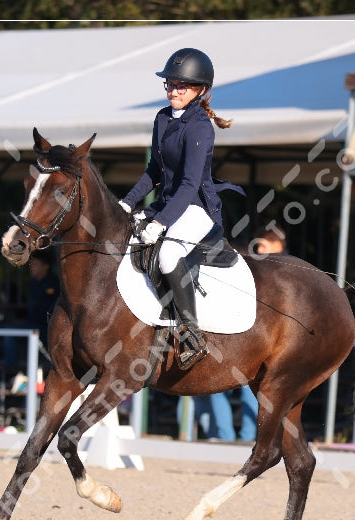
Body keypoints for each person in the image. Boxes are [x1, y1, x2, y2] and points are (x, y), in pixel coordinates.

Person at [119, 47, 241, 370]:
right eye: (170, 84)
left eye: (181, 86)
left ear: (200, 90)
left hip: (197, 208)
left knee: (168, 255)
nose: (173, 91)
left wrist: (159, 223)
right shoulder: (161, 118)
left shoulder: (201, 127)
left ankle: (191, 333)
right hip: (169, 203)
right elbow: (153, 173)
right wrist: (127, 204)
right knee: (126, 237)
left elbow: (188, 185)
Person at [191, 225, 288, 441]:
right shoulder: (275, 272)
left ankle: (227, 436)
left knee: (234, 391)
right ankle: (240, 437)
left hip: (242, 339)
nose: (260, 252)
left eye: (264, 246)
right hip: (249, 339)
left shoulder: (268, 268)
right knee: (243, 391)